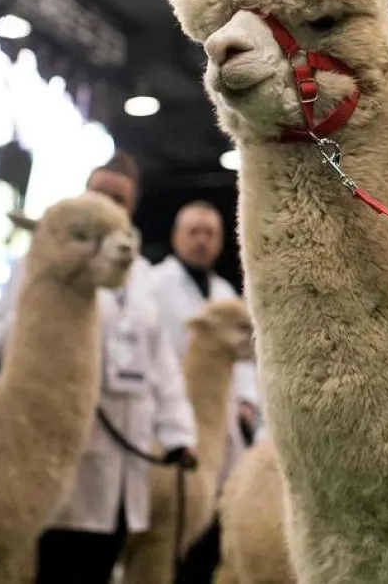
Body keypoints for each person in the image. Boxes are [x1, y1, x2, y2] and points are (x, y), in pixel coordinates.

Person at [0, 151, 198, 584]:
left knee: (100, 566)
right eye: (100, 193)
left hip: (124, 464)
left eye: (118, 199)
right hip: (56, 455)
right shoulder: (42, 258)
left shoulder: (144, 278)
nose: (107, 204)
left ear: (130, 211)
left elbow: (163, 368)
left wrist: (179, 435)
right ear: (84, 194)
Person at [146, 199, 258, 584]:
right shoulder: (156, 286)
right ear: (177, 236)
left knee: (208, 533)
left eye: (209, 233)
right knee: (165, 533)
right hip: (171, 421)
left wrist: (247, 402)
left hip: (220, 425)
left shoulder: (226, 293)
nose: (201, 240)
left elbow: (244, 363)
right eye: (193, 231)